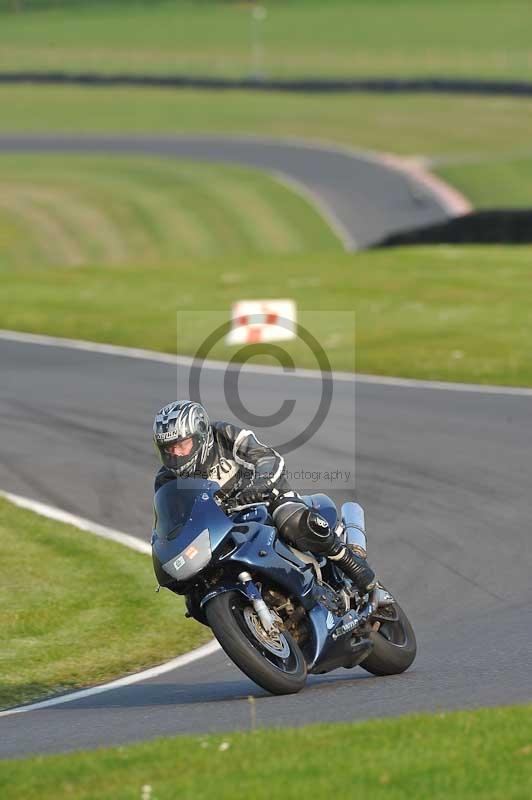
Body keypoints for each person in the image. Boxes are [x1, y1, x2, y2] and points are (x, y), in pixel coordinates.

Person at [153, 400, 376, 593]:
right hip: (223, 527)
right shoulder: (166, 480)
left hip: (265, 499)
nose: (176, 454)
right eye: (169, 449)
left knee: (292, 522)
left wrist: (256, 486)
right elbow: (172, 522)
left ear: (201, 435)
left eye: (182, 445)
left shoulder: (224, 435)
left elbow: (268, 458)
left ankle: (351, 562)